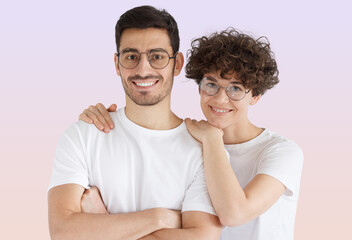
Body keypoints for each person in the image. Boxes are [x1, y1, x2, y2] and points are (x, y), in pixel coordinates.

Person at [80, 29, 304, 240]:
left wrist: (103, 224)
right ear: (199, 87)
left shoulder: (281, 152)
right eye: (211, 84)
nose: (219, 99)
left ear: (255, 95)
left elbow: (234, 214)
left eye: (235, 88)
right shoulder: (186, 143)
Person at [48, 5, 222, 240]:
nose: (143, 69)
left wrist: (101, 220)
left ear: (177, 64)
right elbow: (62, 231)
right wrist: (160, 217)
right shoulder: (83, 136)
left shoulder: (205, 150)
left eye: (157, 56)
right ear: (117, 64)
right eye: (131, 57)